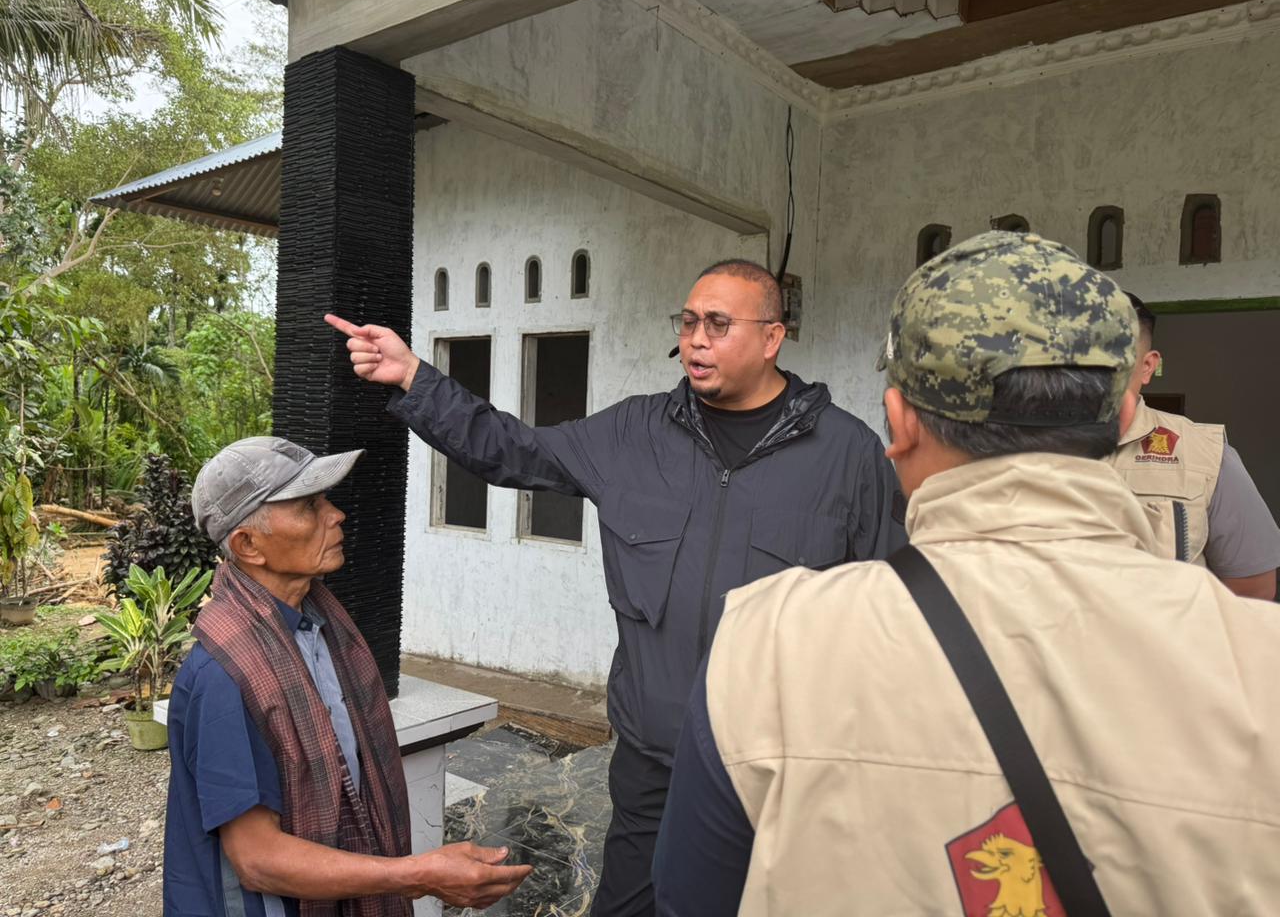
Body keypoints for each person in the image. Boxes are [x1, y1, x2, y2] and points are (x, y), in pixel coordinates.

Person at [652, 232, 1280, 915]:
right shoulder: (1261, 665)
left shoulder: (769, 643)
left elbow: (692, 899)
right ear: (1125, 414)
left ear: (899, 426)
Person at [326, 258, 906, 916]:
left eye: (718, 324)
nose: (696, 340)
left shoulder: (848, 457)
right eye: (688, 323)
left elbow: (894, 611)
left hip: (780, 773)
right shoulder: (633, 432)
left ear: (773, 338)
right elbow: (514, 451)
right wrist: (413, 378)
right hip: (654, 763)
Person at [164, 436, 530, 917]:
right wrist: (420, 873)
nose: (336, 514)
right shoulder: (226, 674)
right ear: (248, 545)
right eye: (309, 506)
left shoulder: (316, 625)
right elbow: (258, 861)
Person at [1108, 292, 1278, 599]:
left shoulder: (1203, 453)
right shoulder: (1016, 446)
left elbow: (1251, 590)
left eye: (1113, 360)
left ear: (1147, 367)